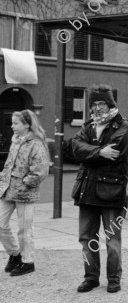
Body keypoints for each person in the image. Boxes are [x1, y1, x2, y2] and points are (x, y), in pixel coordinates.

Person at [71, 85, 128, 293]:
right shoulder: (87, 126)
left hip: (112, 191)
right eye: (94, 104)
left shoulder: (122, 126)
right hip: (86, 189)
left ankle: (114, 279)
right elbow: (75, 147)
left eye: (101, 103)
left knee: (112, 239)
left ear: (110, 104)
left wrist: (89, 154)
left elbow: (114, 152)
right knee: (87, 238)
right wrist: (98, 152)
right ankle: (91, 277)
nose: (97, 108)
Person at [0, 110, 49, 277]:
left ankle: (28, 261)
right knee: (0, 224)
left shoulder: (37, 144)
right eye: (12, 123)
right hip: (7, 190)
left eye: (16, 123)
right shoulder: (15, 142)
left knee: (24, 229)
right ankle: (15, 255)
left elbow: (41, 171)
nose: (12, 126)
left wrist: (25, 184)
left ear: (27, 124)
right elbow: (8, 165)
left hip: (25, 193)